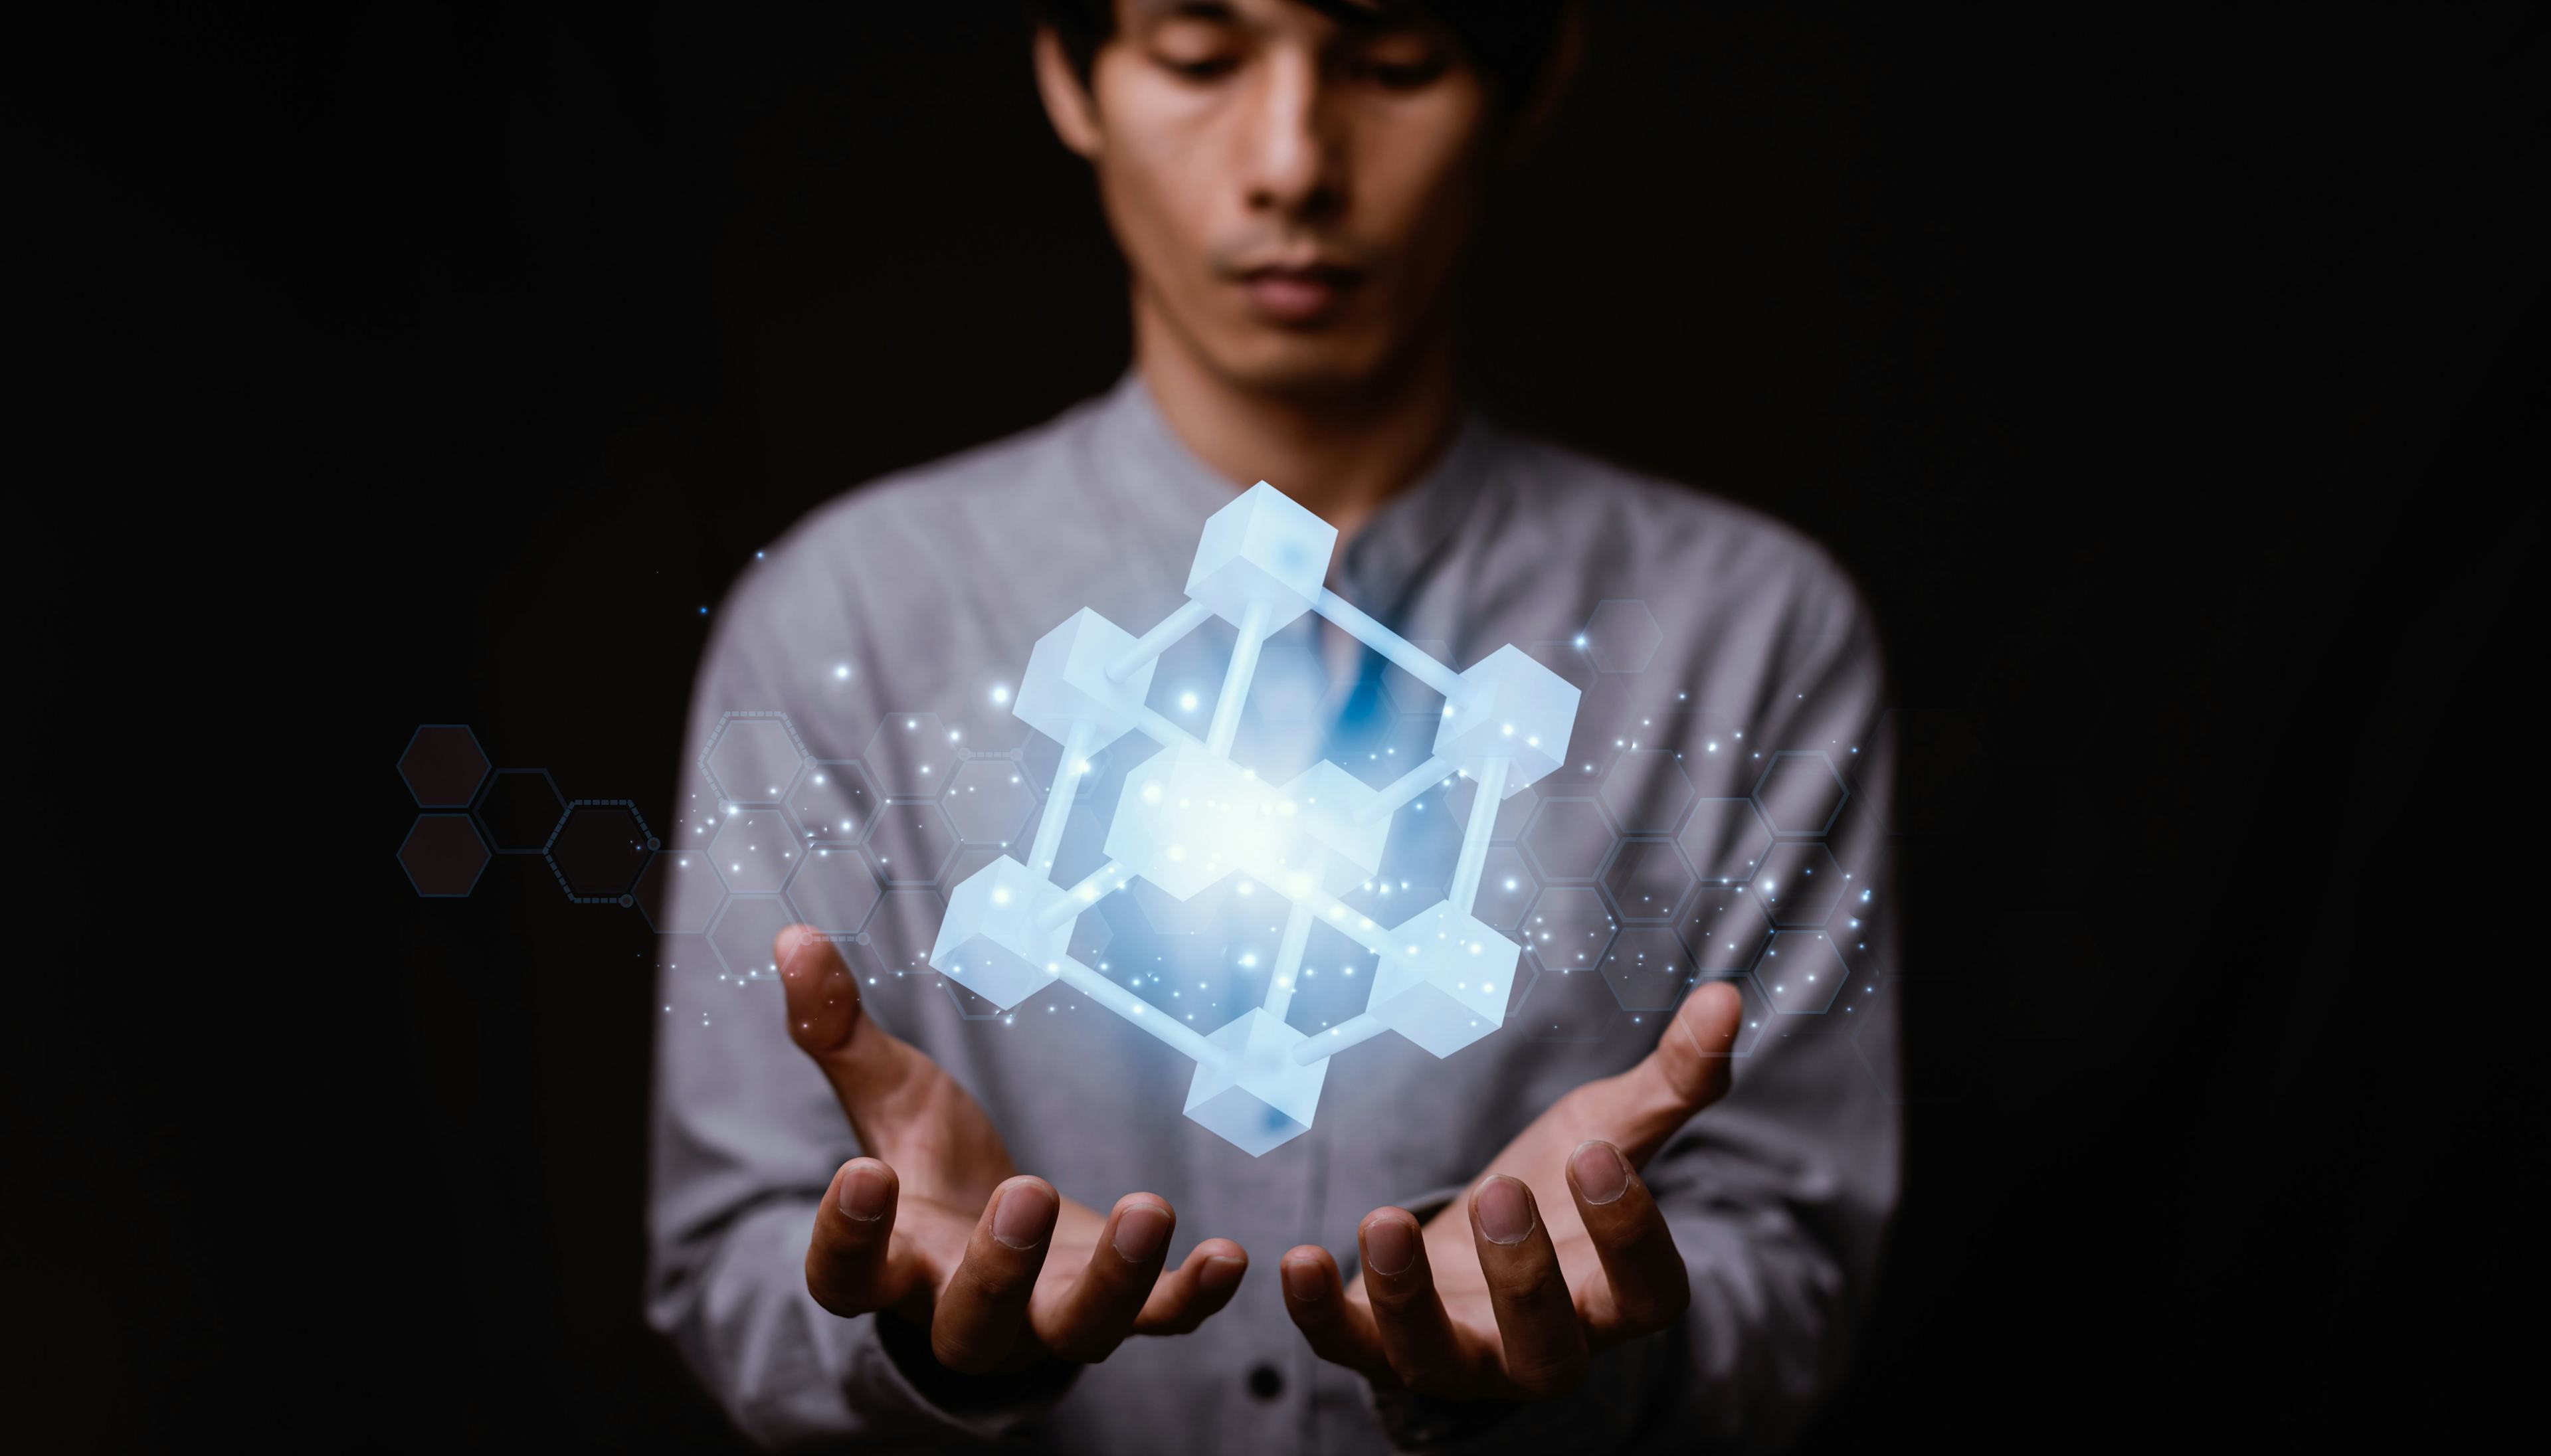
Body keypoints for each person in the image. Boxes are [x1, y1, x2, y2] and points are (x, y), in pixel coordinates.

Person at [645, 1, 1901, 1449]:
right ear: (1070, 73)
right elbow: (730, 1258)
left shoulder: (1753, 633)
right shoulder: (844, 616)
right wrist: (924, 1345)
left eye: (1391, 61)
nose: (1294, 161)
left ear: (1533, 82)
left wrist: (1564, 1342)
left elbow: (1790, 1275)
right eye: (1199, 57)